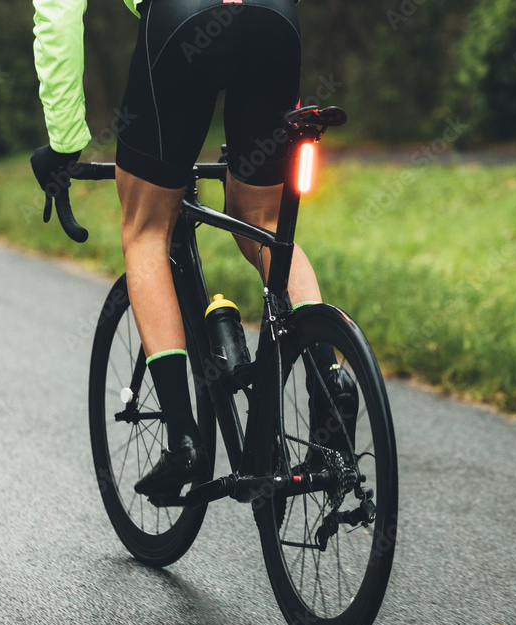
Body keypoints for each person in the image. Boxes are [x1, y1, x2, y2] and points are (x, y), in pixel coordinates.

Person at [30, 0, 352, 497]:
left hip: (186, 18)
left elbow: (58, 15)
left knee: (144, 229)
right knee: (263, 221)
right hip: (274, 17)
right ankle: (332, 384)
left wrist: (64, 142)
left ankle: (183, 439)